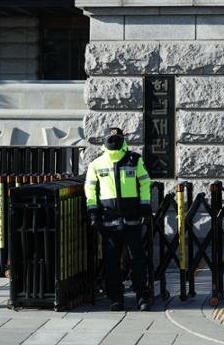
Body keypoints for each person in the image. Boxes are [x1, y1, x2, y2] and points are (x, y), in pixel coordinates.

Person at [84, 127, 152, 311]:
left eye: (116, 138)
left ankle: (141, 296)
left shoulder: (134, 159)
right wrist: (93, 212)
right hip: (109, 221)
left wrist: (145, 207)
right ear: (105, 140)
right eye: (110, 138)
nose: (113, 141)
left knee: (137, 259)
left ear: (122, 139)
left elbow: (145, 183)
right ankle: (116, 298)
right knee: (111, 262)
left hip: (132, 220)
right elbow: (90, 190)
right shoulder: (96, 164)